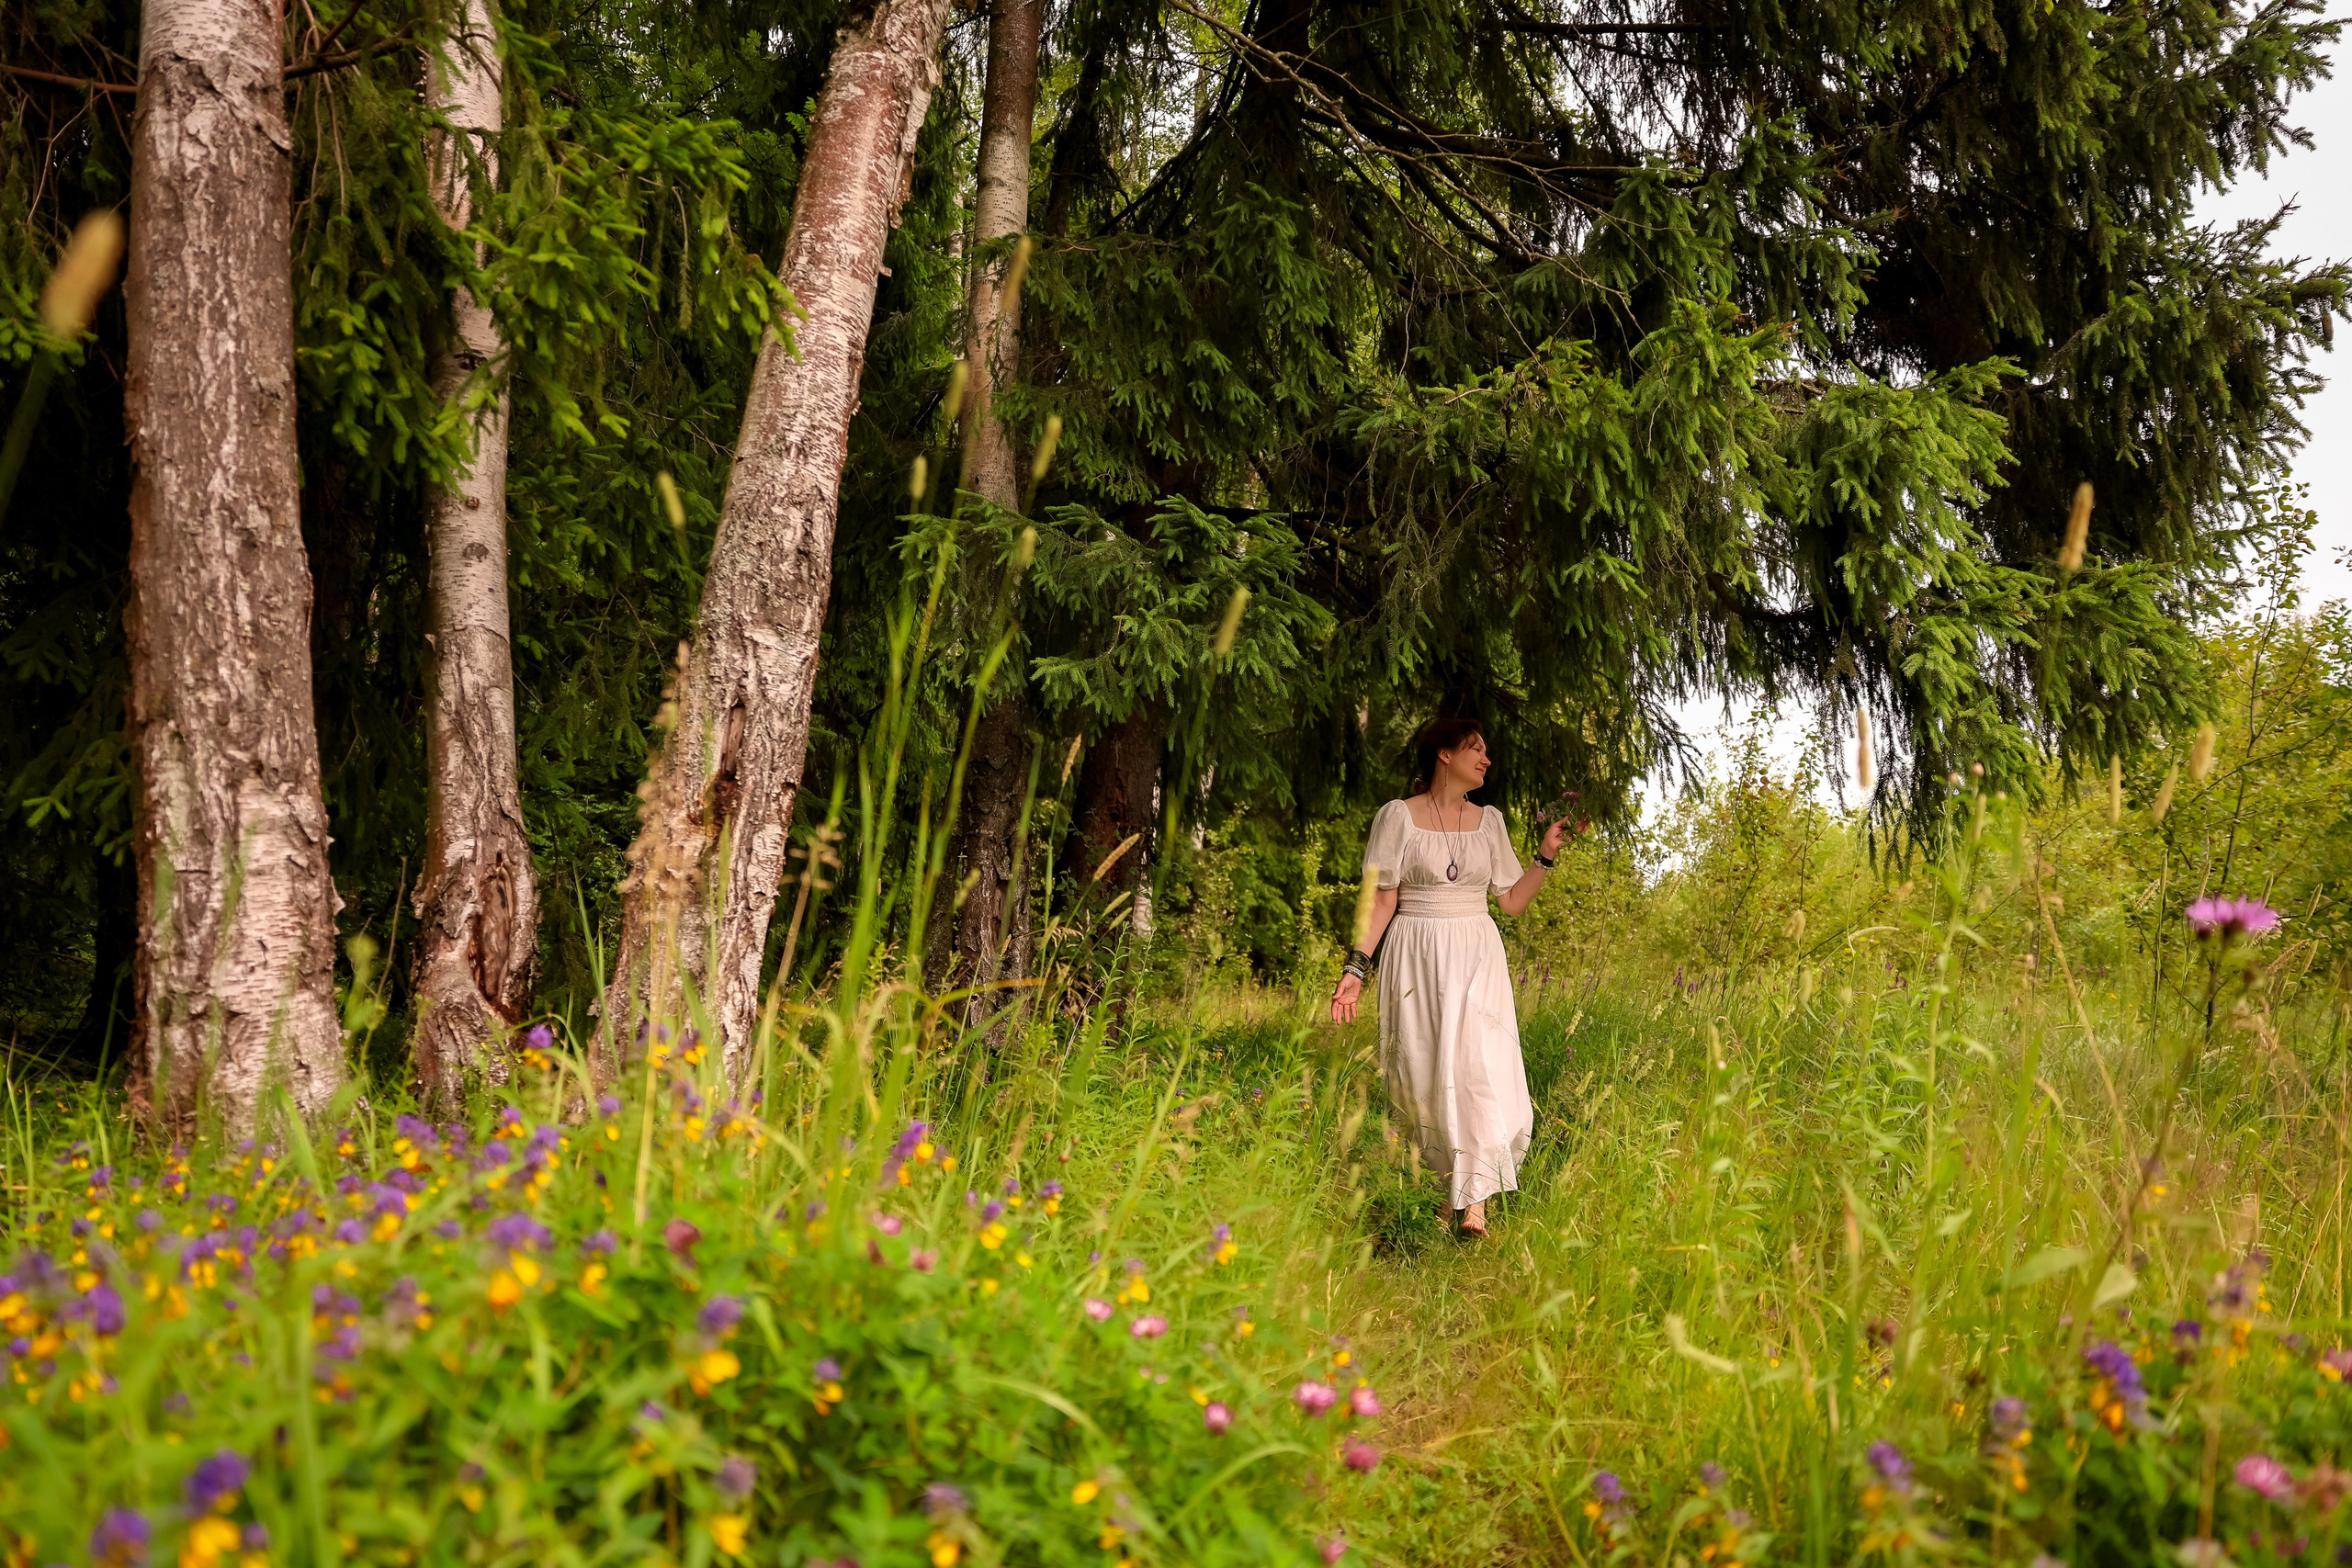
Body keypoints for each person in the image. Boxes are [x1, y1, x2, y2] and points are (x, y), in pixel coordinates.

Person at [1329, 717, 1578, 1237]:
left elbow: (1510, 902)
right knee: (1423, 1072)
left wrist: (1545, 857)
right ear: (1443, 754)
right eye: (1475, 749)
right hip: (1414, 950)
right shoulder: (1398, 817)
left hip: (1476, 950)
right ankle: (1444, 1199)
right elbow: (1380, 899)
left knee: (1477, 1066)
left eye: (1486, 751)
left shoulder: (1489, 822)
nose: (1486, 759)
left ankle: (1476, 1203)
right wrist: (1356, 967)